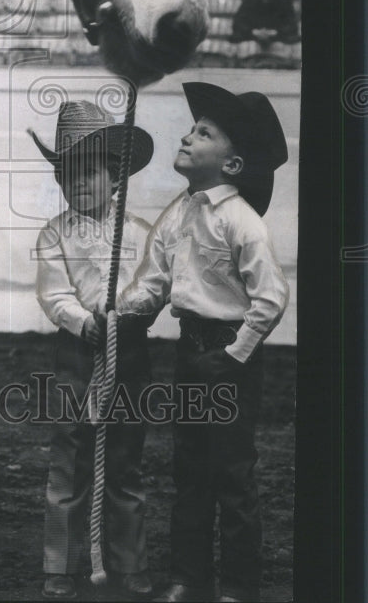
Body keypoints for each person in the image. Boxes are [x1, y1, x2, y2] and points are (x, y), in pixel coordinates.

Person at [117, 82, 289, 603]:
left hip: (230, 358)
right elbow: (155, 280)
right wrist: (124, 309)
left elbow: (271, 298)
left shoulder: (242, 222)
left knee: (232, 474)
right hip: (189, 353)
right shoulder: (178, 213)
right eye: (192, 129)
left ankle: (238, 586)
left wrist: (235, 355)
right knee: (188, 469)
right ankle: (191, 579)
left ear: (232, 165)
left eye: (204, 133)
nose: (188, 137)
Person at [31, 100, 156, 601]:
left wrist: (126, 313)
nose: (79, 182)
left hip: (129, 356)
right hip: (77, 358)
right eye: (68, 174)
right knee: (70, 461)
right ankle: (60, 566)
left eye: (91, 171)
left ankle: (129, 563)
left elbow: (156, 283)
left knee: (124, 462)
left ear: (116, 177)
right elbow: (54, 293)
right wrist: (85, 322)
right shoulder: (54, 234)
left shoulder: (141, 234)